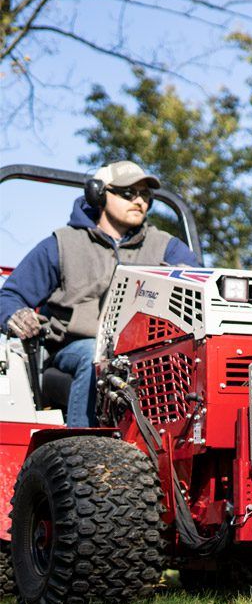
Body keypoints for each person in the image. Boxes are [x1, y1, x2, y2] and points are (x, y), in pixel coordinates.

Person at [0, 160, 199, 426]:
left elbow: (200, 289)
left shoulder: (167, 248)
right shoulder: (62, 244)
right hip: (75, 347)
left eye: (145, 195)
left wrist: (189, 278)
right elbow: (10, 296)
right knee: (95, 357)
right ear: (99, 195)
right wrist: (16, 314)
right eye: (128, 193)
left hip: (147, 352)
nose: (139, 201)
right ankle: (84, 452)